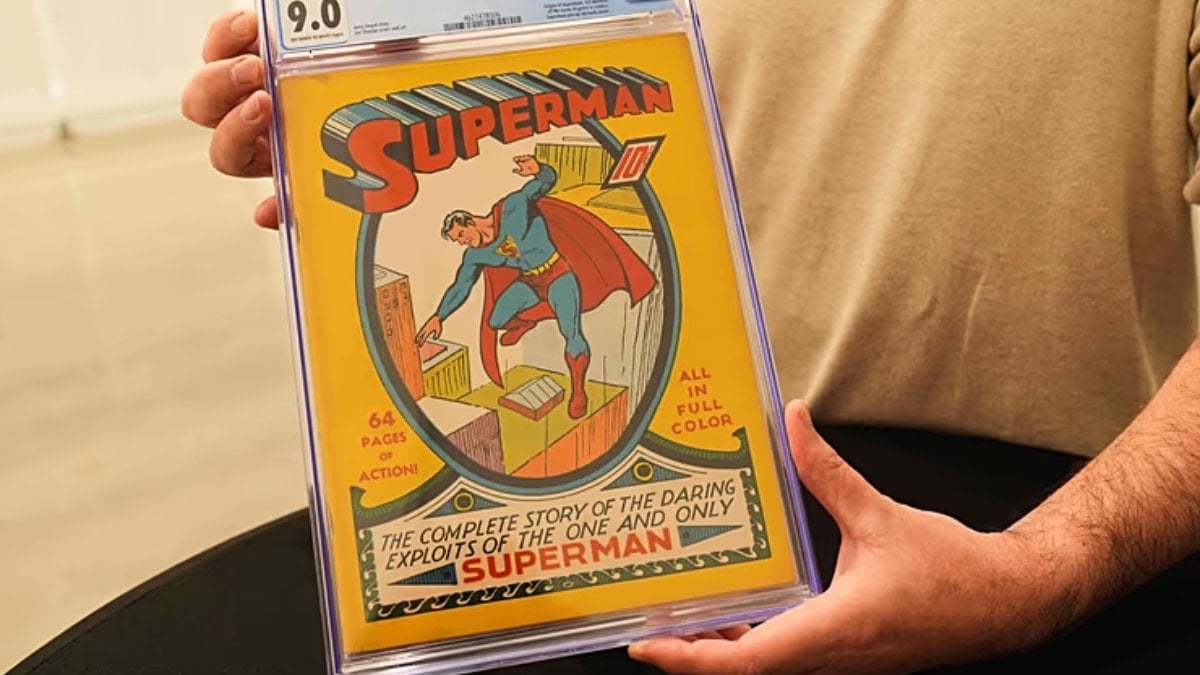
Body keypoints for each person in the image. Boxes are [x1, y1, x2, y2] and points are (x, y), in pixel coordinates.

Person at [181, 4, 1200, 673]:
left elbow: (543, 180)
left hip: (1062, 521)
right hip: (675, 523)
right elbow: (525, 94)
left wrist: (1042, 571)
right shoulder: (486, 242)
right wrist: (346, 84)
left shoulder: (519, 218)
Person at [417, 154, 657, 418]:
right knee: (497, 320)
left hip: (557, 275)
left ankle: (578, 392)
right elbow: (461, 286)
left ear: (470, 221)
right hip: (529, 282)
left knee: (571, 332)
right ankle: (527, 322)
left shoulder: (513, 205)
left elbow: (544, 183)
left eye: (461, 235)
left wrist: (539, 169)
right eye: (457, 241)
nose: (462, 242)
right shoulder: (475, 254)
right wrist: (439, 316)